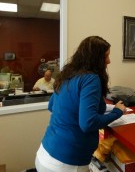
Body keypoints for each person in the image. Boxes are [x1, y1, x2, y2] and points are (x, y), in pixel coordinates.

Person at [35, 36, 126, 172]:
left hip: (45, 155)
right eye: (105, 56)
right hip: (67, 164)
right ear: (95, 58)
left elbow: (52, 106)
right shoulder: (91, 79)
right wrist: (117, 112)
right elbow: (88, 123)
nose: (109, 61)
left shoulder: (67, 75)